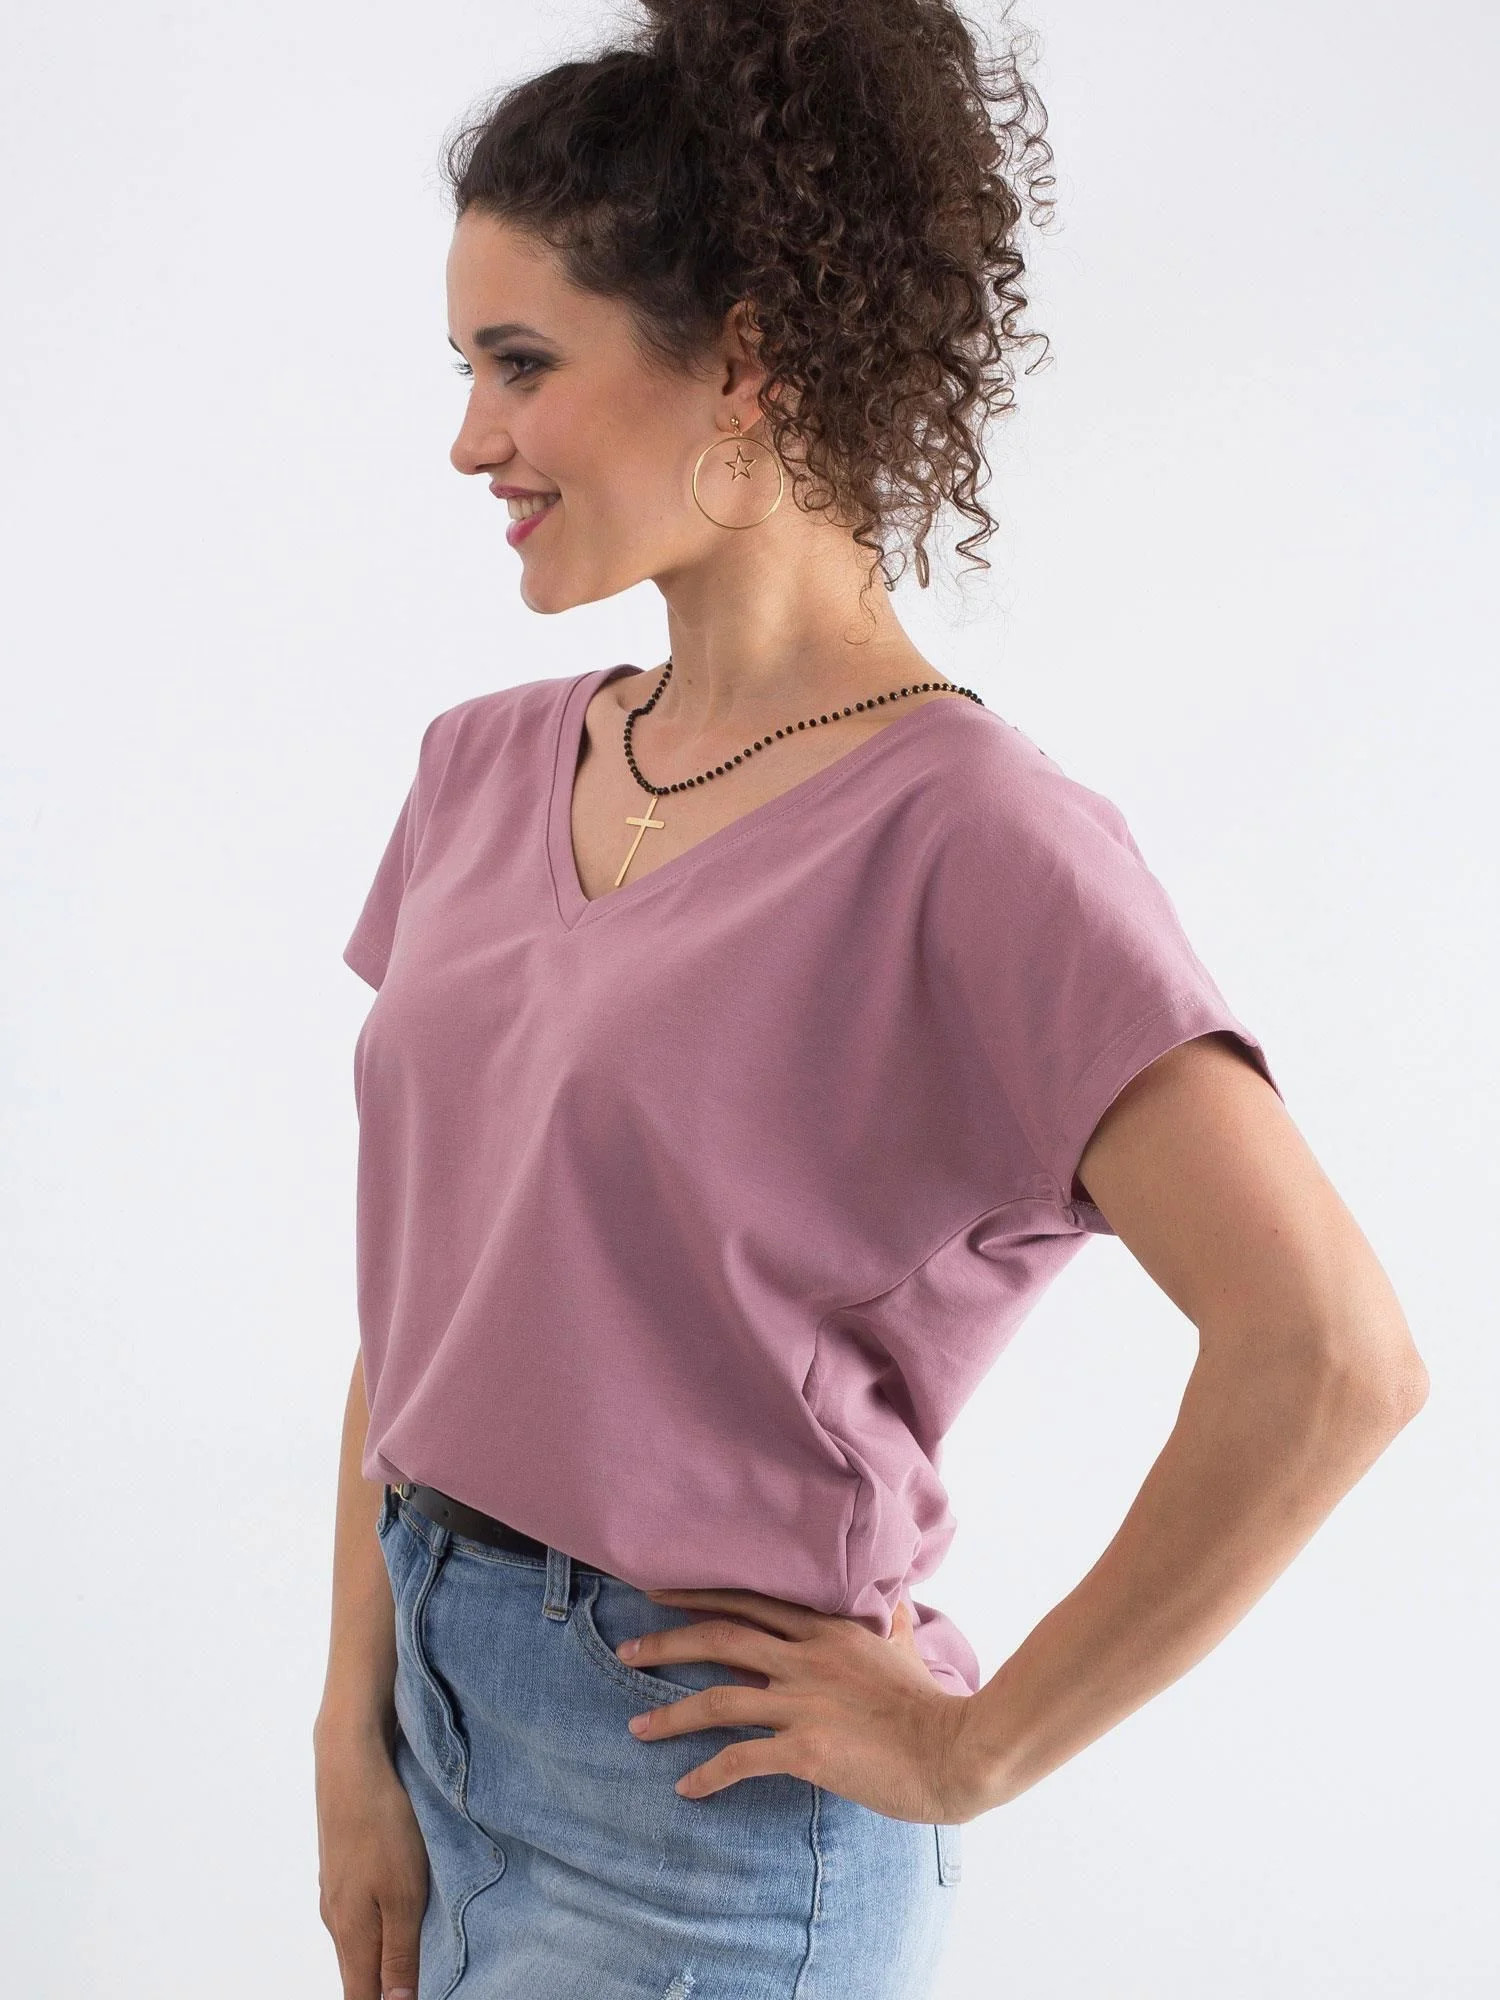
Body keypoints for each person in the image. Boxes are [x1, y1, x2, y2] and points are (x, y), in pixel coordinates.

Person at [312, 4, 1429, 1996]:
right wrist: (351, 1732)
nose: (472, 439)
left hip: (702, 1828)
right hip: (436, 1721)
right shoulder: (480, 770)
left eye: (522, 365)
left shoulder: (977, 841)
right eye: (464, 368)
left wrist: (971, 1750)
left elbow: (1333, 1354)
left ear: (744, 360)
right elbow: (423, 1305)